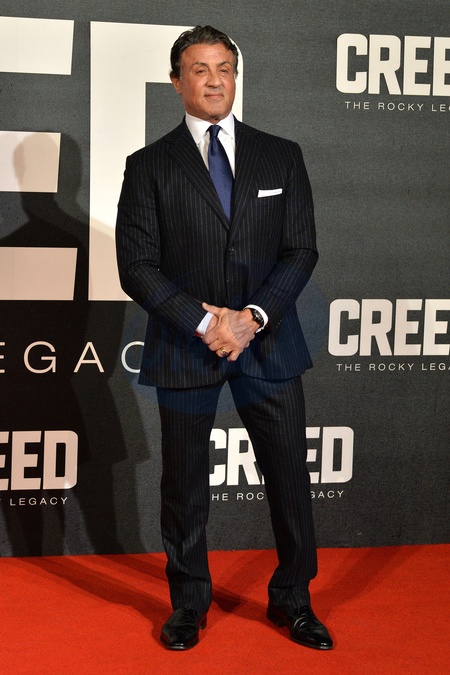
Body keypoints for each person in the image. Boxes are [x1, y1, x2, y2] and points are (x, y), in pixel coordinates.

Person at [116, 25, 332, 651]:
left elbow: (301, 248)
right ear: (176, 81)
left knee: (289, 476)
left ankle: (294, 599)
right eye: (200, 69)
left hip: (269, 341)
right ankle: (188, 603)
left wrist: (252, 317)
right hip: (186, 344)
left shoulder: (281, 155)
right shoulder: (148, 165)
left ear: (236, 77)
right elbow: (136, 266)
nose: (214, 81)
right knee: (184, 484)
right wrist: (206, 322)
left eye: (224, 69)